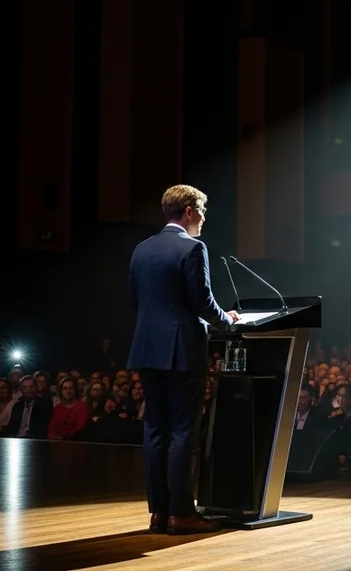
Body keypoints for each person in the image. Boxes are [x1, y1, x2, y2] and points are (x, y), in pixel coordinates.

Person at [127, 185, 239, 535]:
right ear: (188, 210)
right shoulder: (193, 247)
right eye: (202, 211)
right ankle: (181, 514)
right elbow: (203, 302)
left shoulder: (141, 249)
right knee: (183, 432)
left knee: (155, 431)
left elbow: (136, 302)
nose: (204, 219)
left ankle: (159, 512)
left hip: (146, 348)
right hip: (182, 350)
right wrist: (227, 319)